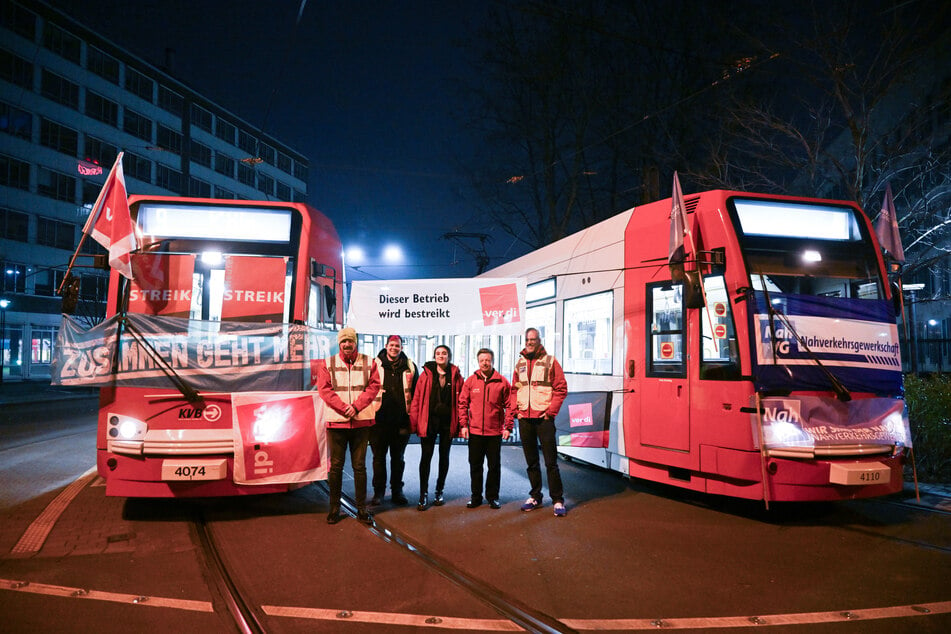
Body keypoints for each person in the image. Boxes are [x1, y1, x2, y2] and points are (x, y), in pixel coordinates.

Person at [314, 327, 381, 525]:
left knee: (359, 467)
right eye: (343, 341)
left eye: (350, 341)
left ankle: (361, 508)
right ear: (339, 343)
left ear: (355, 342)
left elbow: (374, 386)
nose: (347, 344)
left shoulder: (370, 362)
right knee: (335, 467)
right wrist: (345, 408)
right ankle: (334, 508)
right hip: (337, 422)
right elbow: (324, 390)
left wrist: (356, 407)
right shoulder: (328, 363)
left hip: (362, 422)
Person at [511, 327, 569, 517]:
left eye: (533, 340)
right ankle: (535, 496)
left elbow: (561, 388)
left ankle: (558, 500)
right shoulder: (519, 363)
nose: (529, 343)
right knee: (531, 462)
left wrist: (550, 412)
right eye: (527, 340)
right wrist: (516, 411)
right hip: (525, 419)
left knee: (551, 462)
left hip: (544, 419)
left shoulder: (550, 361)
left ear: (539, 341)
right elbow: (514, 389)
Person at [409, 344, 463, 511]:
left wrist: (461, 424)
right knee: (426, 457)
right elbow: (416, 399)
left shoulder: (456, 376)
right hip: (429, 421)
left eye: (444, 353)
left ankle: (439, 491)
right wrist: (414, 422)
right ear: (434, 356)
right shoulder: (425, 375)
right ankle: (423, 494)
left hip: (447, 423)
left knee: (444, 457)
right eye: (438, 353)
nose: (441, 356)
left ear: (449, 356)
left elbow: (462, 401)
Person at [458, 348, 513, 510]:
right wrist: (463, 425)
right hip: (474, 432)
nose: (485, 363)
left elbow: (510, 406)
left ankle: (493, 497)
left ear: (493, 361)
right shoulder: (471, 381)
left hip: (494, 432)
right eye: (482, 360)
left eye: (488, 360)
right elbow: (462, 404)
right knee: (475, 465)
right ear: (478, 361)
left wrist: (507, 427)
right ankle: (476, 497)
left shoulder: (502, 382)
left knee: (494, 467)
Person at [369, 335, 418, 506]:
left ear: (401, 348)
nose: (394, 348)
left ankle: (397, 491)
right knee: (378, 458)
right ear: (386, 346)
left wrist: (413, 418)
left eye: (397, 346)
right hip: (378, 421)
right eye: (391, 345)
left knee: (398, 459)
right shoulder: (374, 365)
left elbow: (416, 393)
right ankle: (379, 493)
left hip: (401, 421)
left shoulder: (410, 366)